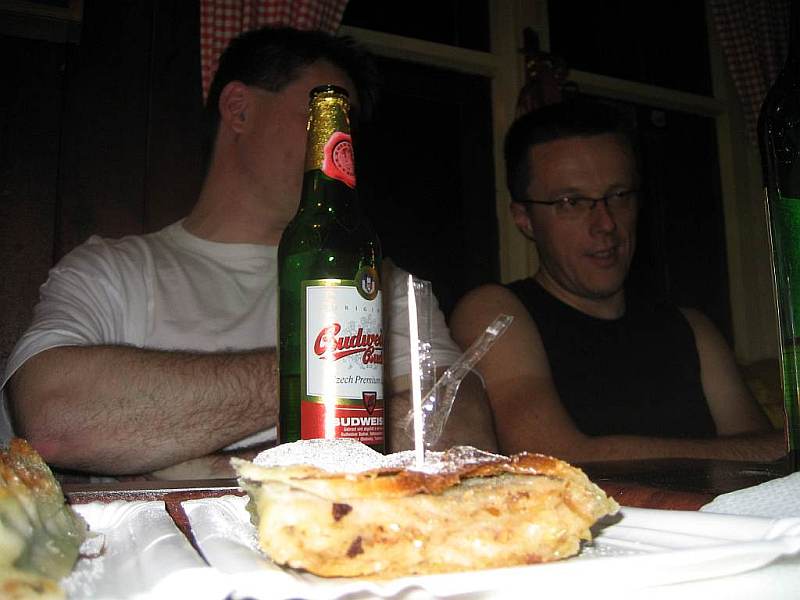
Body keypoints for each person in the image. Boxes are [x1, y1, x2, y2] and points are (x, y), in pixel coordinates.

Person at [1, 27, 497, 478]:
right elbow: (51, 419)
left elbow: (463, 433)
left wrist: (218, 466)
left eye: (344, 128)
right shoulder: (112, 270)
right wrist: (329, 378)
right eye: (319, 119)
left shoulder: (382, 281)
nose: (338, 145)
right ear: (239, 109)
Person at [450, 99, 784, 463]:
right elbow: (551, 459)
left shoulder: (693, 329)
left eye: (619, 196)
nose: (606, 223)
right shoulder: (495, 313)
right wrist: (751, 452)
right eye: (572, 202)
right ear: (524, 218)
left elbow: (771, 461)